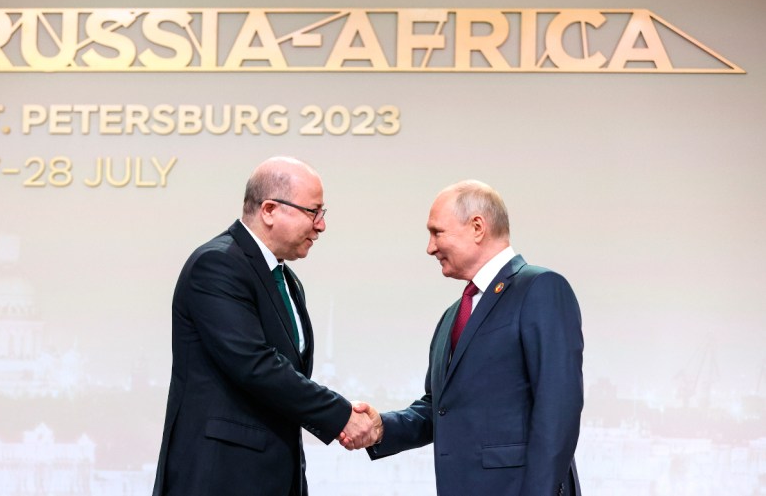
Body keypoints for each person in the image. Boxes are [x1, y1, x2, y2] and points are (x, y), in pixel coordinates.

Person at [151, 157, 375, 496]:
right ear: (269, 209)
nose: (321, 226)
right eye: (313, 212)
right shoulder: (217, 264)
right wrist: (342, 415)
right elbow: (256, 365)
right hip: (220, 477)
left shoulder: (287, 280)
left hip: (273, 477)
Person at [347, 180, 584, 496]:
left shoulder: (540, 288)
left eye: (437, 232)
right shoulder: (453, 315)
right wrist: (381, 428)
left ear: (477, 227)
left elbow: (559, 407)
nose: (430, 247)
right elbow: (440, 408)